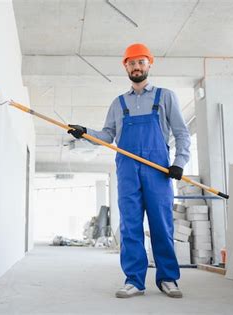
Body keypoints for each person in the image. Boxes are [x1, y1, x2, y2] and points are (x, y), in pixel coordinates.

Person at [67, 43, 190, 299]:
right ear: (126, 66)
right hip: (127, 170)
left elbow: (181, 133)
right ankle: (134, 280)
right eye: (131, 63)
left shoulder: (165, 96)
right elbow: (107, 136)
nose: (136, 66)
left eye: (140, 62)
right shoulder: (118, 103)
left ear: (149, 64)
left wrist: (179, 162)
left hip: (158, 170)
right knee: (130, 227)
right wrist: (86, 133)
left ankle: (168, 278)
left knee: (162, 225)